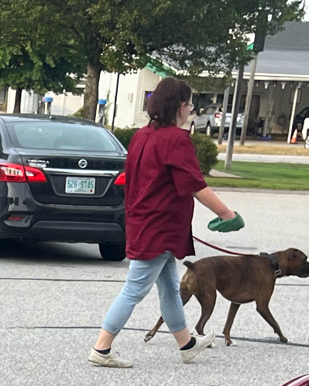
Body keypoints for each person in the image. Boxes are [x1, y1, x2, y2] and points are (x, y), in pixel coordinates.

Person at [91, 78, 244, 369]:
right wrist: (227, 214)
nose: (190, 109)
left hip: (143, 221)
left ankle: (186, 344)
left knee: (171, 288)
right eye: (189, 104)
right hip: (160, 227)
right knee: (134, 289)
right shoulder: (175, 139)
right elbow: (195, 185)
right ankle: (102, 347)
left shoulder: (141, 136)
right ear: (180, 107)